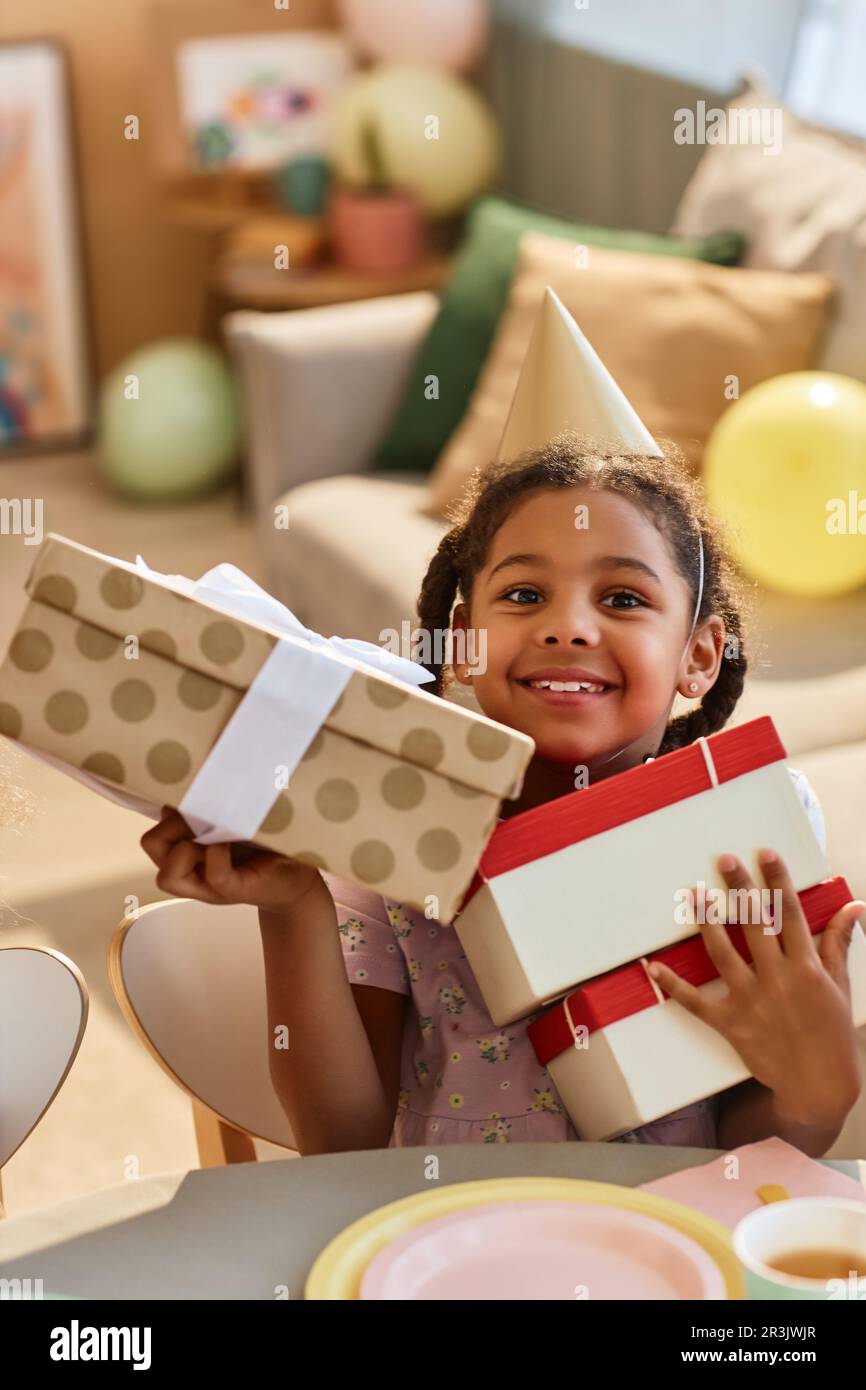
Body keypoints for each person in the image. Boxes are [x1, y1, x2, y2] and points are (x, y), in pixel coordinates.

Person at [140, 294, 864, 1158]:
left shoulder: (747, 836)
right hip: (451, 1250)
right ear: (463, 641)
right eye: (524, 595)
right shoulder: (392, 837)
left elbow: (757, 1154)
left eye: (623, 598)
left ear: (700, 656)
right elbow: (341, 1144)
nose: (568, 627)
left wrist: (819, 1081)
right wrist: (293, 902)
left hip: (672, 1248)